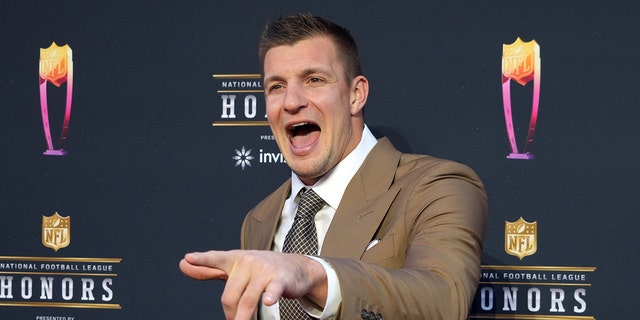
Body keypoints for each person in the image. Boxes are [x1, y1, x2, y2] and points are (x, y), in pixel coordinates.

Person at [180, 13, 488, 320]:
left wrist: (313, 273)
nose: (291, 102)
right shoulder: (259, 220)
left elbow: (444, 300)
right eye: (276, 86)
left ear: (356, 94)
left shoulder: (438, 186)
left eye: (313, 80)